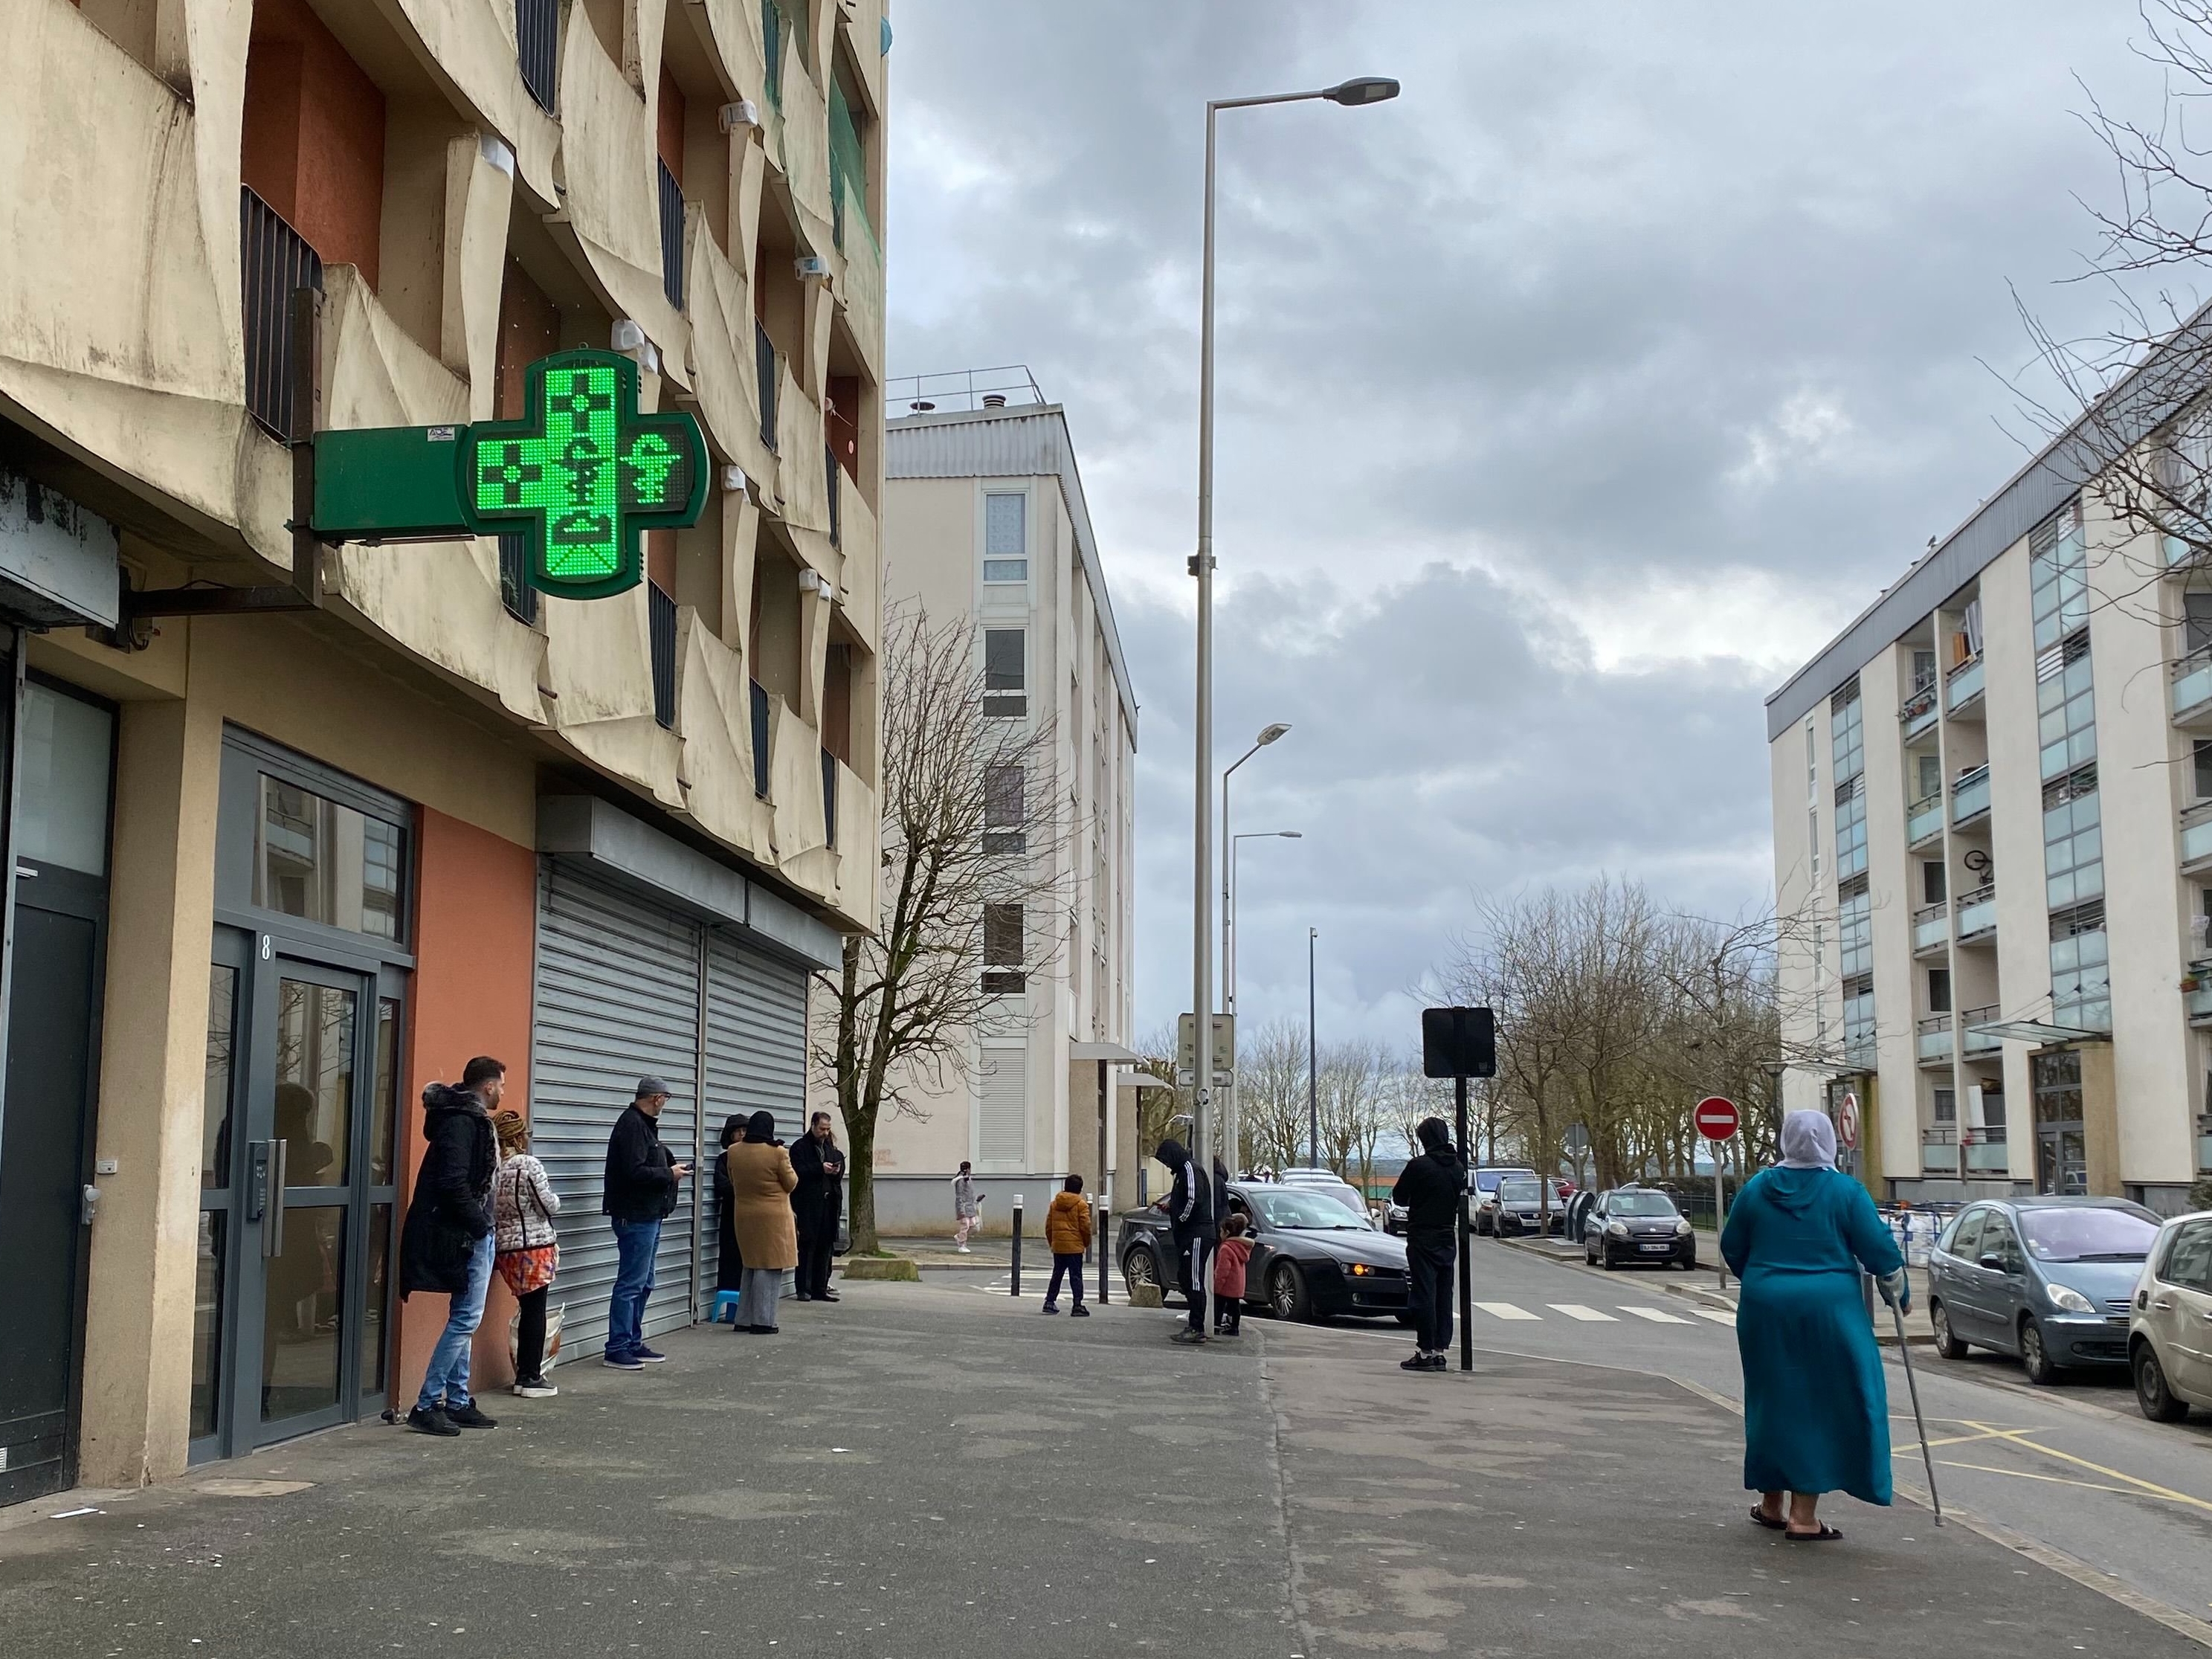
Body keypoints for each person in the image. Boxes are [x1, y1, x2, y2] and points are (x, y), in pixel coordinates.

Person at [1721, 1109, 1909, 1543]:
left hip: (1765, 1307)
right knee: (1822, 1405)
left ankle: (1771, 1504)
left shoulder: (1756, 1189)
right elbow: (1880, 1252)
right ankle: (1803, 1517)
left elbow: (1733, 1246)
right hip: (1830, 1310)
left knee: (1773, 1400)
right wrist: (1897, 1290)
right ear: (1829, 1142)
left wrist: (1764, 1278)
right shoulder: (1845, 1191)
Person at [398, 1057, 505, 1435]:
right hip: (466, 1234)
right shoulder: (463, 1123)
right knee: (466, 1319)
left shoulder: (462, 1120)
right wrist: (480, 1227)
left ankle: (458, 1401)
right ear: (488, 1086)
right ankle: (427, 1403)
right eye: (501, 1086)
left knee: (465, 1316)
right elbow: (452, 1182)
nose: (502, 1093)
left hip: (469, 1233)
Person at [602, 1076, 691, 1370]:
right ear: (657, 1098)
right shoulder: (632, 1126)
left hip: (649, 1215)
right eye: (666, 1098)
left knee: (644, 1282)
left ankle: (631, 1341)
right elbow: (634, 1172)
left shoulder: (643, 1127)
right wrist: (669, 1174)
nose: (665, 1104)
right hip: (635, 1216)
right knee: (631, 1283)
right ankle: (617, 1347)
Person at [491, 1107, 561, 1399]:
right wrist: (557, 1200)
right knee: (536, 1310)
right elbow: (548, 1205)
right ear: (519, 1137)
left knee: (526, 1307)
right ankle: (530, 1375)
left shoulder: (495, 1167)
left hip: (505, 1247)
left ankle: (524, 1374)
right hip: (534, 1246)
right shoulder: (527, 1165)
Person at [1393, 1117, 1465, 1372]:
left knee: (1424, 1293)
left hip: (1422, 1235)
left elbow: (1399, 1197)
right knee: (1444, 1293)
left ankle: (1424, 1352)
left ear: (1425, 1140)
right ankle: (1439, 1350)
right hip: (1447, 1235)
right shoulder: (1458, 1168)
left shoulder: (1419, 1166)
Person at [726, 1110, 799, 1333]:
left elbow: (732, 1180)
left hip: (744, 1214)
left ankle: (743, 1318)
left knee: (750, 1266)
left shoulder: (734, 1151)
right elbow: (791, 1183)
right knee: (769, 1267)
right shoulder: (778, 1152)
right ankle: (764, 1321)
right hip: (773, 1218)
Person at [1152, 1136, 1215, 1344]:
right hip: (1189, 1233)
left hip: (1196, 1232)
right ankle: (1194, 1322)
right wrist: (1172, 1208)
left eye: (1166, 1160)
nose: (1167, 1165)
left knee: (1194, 1278)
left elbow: (1193, 1199)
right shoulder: (1182, 1171)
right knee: (1186, 1277)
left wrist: (1181, 1218)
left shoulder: (1189, 1169)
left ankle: (1197, 1326)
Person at [790, 1112, 845, 1303]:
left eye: (828, 1129)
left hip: (828, 1204)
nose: (825, 1133)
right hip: (808, 1205)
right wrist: (820, 1168)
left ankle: (820, 1287)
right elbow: (797, 1173)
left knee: (825, 1248)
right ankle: (804, 1289)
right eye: (822, 1129)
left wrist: (836, 1170)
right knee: (807, 1247)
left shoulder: (830, 1147)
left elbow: (837, 1173)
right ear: (813, 1126)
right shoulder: (800, 1147)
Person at [1042, 1173, 1092, 1316]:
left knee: (1057, 1274)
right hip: (1075, 1247)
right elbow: (1086, 1227)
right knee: (1075, 1275)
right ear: (1080, 1189)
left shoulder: (1054, 1204)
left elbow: (1048, 1227)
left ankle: (1049, 1301)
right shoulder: (1081, 1205)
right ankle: (1077, 1305)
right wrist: (1085, 1243)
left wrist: (1053, 1242)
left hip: (1059, 1246)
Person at [714, 1116, 746, 1295]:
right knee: (729, 1257)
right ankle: (727, 1297)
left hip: (748, 1213)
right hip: (730, 1212)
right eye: (738, 1132)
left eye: (745, 1131)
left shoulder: (750, 1156)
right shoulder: (724, 1159)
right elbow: (721, 1184)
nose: (742, 1135)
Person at [1213, 1212, 1253, 1337]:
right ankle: (1234, 1327)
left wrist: (1216, 1285)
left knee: (1219, 1306)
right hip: (1237, 1285)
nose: (1220, 1234)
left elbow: (1223, 1270)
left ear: (1227, 1233)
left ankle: (1216, 1325)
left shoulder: (1226, 1248)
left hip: (1226, 1285)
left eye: (1221, 1231)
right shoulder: (1241, 1247)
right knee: (1234, 1307)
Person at [952, 1162, 981, 1252]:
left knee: (974, 1226)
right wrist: (961, 1210)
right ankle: (962, 1245)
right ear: (968, 1169)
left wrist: (976, 1200)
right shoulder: (961, 1181)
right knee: (965, 1225)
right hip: (964, 1207)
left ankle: (960, 1237)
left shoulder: (968, 1180)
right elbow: (960, 1196)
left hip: (970, 1206)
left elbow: (970, 1194)